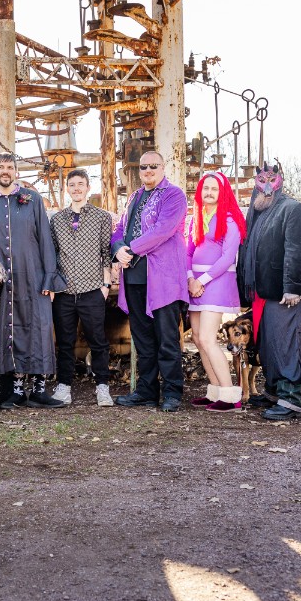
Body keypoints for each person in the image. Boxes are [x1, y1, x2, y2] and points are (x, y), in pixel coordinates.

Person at [0, 153, 67, 409]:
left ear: (16, 171)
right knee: (11, 328)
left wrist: (50, 276)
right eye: (1, 167)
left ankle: (38, 389)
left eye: (10, 167)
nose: (5, 171)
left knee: (39, 327)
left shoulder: (32, 199)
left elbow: (46, 239)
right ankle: (15, 390)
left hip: (34, 275)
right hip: (3, 280)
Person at [111, 151, 188, 412]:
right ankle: (146, 391)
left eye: (153, 166)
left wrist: (129, 249)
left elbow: (163, 231)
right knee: (142, 337)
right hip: (133, 276)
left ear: (163, 168)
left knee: (166, 337)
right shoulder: (133, 196)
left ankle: (172, 392)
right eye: (144, 167)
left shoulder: (174, 195)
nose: (148, 171)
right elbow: (119, 228)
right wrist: (118, 248)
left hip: (162, 277)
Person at [236, 162, 301, 421]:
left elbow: (294, 250)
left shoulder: (292, 208)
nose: (266, 184)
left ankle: (290, 399)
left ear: (280, 180)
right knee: (267, 346)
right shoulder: (256, 210)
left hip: (282, 292)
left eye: (272, 178)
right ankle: (274, 392)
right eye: (261, 179)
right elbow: (246, 250)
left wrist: (292, 287)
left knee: (285, 344)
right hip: (260, 292)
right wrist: (244, 289)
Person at [48, 169, 114, 407]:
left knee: (98, 341)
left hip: (92, 288)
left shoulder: (101, 217)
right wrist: (53, 284)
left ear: (88, 187)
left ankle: (102, 387)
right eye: (72, 185)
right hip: (64, 290)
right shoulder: (56, 219)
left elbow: (106, 253)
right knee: (65, 342)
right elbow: (52, 254)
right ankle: (64, 386)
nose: (76, 188)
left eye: (80, 184)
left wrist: (105, 285)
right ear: (67, 188)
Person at [185, 171, 247, 412]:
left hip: (216, 283)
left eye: (214, 189)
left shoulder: (229, 220)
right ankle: (215, 392)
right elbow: (188, 253)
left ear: (222, 193)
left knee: (209, 340)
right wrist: (191, 279)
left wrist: (203, 280)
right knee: (198, 339)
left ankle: (232, 397)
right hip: (195, 284)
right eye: (205, 188)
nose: (209, 193)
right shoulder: (196, 217)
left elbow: (227, 258)